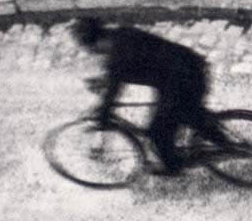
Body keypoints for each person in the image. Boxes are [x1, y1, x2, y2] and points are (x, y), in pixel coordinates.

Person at [71, 16, 224, 174]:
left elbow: (114, 87)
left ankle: (176, 167)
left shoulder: (117, 56)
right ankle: (215, 139)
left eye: (91, 49)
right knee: (179, 116)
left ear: (94, 43)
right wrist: (104, 83)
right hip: (184, 71)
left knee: (159, 130)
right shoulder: (121, 35)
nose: (94, 53)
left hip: (185, 77)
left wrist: (103, 115)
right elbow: (122, 72)